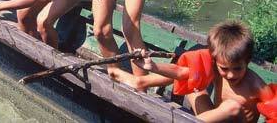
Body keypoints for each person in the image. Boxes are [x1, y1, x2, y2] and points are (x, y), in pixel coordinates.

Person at [116, 21, 273, 123]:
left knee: (232, 106)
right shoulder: (215, 63)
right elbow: (181, 72)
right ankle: (141, 81)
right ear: (216, 60)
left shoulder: (256, 85)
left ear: (247, 61)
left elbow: (274, 112)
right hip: (211, 117)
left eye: (237, 68)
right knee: (193, 80)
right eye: (224, 68)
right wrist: (152, 67)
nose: (230, 74)